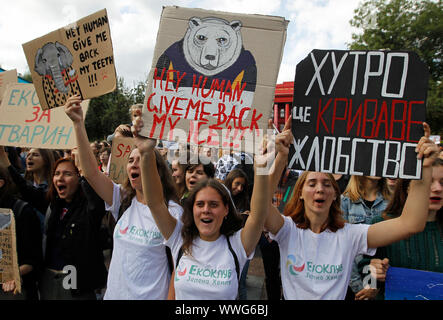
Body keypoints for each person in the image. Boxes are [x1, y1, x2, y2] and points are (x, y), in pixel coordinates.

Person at [262, 118, 438, 300]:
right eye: (312, 184)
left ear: (335, 195)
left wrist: (424, 169)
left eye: (327, 184)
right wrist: (281, 157)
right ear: (300, 193)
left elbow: (411, 224)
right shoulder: (288, 230)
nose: (320, 189)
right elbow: (261, 208)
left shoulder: (350, 235)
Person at [134, 121, 278, 300]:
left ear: (226, 209)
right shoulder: (179, 239)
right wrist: (146, 152)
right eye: (200, 204)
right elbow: (155, 203)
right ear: (191, 208)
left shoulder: (238, 245)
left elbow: (258, 215)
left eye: (214, 204)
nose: (206, 210)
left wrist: (262, 167)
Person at [64, 95, 182, 300]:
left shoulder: (173, 211)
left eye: (141, 159)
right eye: (130, 160)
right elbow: (91, 173)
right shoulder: (123, 200)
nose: (134, 164)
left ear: (157, 169)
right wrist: (78, 123)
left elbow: (178, 269)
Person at [359, 158, 443, 300]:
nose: (437, 188)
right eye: (428, 182)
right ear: (408, 187)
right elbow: (366, 276)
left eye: (442, 182)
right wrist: (374, 273)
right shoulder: (383, 224)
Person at [341, 175, 391, 299]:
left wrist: (374, 285)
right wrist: (361, 287)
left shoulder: (391, 201)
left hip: (384, 282)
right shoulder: (345, 201)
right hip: (353, 285)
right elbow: (343, 248)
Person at [0, 167, 43, 300]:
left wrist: (13, 274)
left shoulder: (21, 211)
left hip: (14, 291)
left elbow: (34, 259)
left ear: (1, 183)